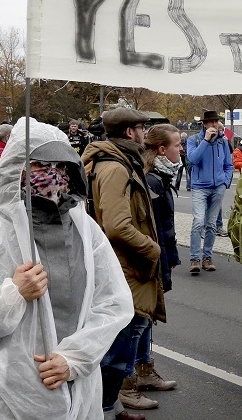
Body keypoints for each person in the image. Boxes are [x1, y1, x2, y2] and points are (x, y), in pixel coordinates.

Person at [0, 118, 134, 420]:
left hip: (79, 401)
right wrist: (12, 296)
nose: (52, 175)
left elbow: (114, 304)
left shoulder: (86, 231)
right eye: (39, 165)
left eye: (61, 166)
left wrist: (74, 359)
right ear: (16, 171)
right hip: (4, 404)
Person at [82, 107, 166, 420]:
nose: (146, 133)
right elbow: (117, 225)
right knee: (122, 342)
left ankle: (111, 406)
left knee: (121, 338)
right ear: (130, 132)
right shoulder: (116, 166)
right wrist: (152, 249)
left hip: (114, 262)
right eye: (142, 128)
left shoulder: (105, 159)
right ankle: (103, 408)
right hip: (124, 265)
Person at [137, 124, 182, 395]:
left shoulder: (161, 177)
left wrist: (173, 255)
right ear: (162, 150)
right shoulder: (153, 179)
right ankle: (132, 377)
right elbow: (154, 229)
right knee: (142, 317)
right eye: (178, 145)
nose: (182, 149)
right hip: (152, 257)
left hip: (160, 255)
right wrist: (163, 259)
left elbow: (166, 226)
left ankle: (143, 369)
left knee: (147, 316)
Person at [185, 110, 234, 274]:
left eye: (216, 121)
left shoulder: (223, 142)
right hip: (200, 186)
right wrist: (205, 140)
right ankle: (194, 259)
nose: (214, 124)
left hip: (217, 187)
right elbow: (192, 159)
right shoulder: (194, 140)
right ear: (204, 124)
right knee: (199, 221)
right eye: (211, 122)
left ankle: (207, 257)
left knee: (212, 225)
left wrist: (225, 182)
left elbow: (229, 164)